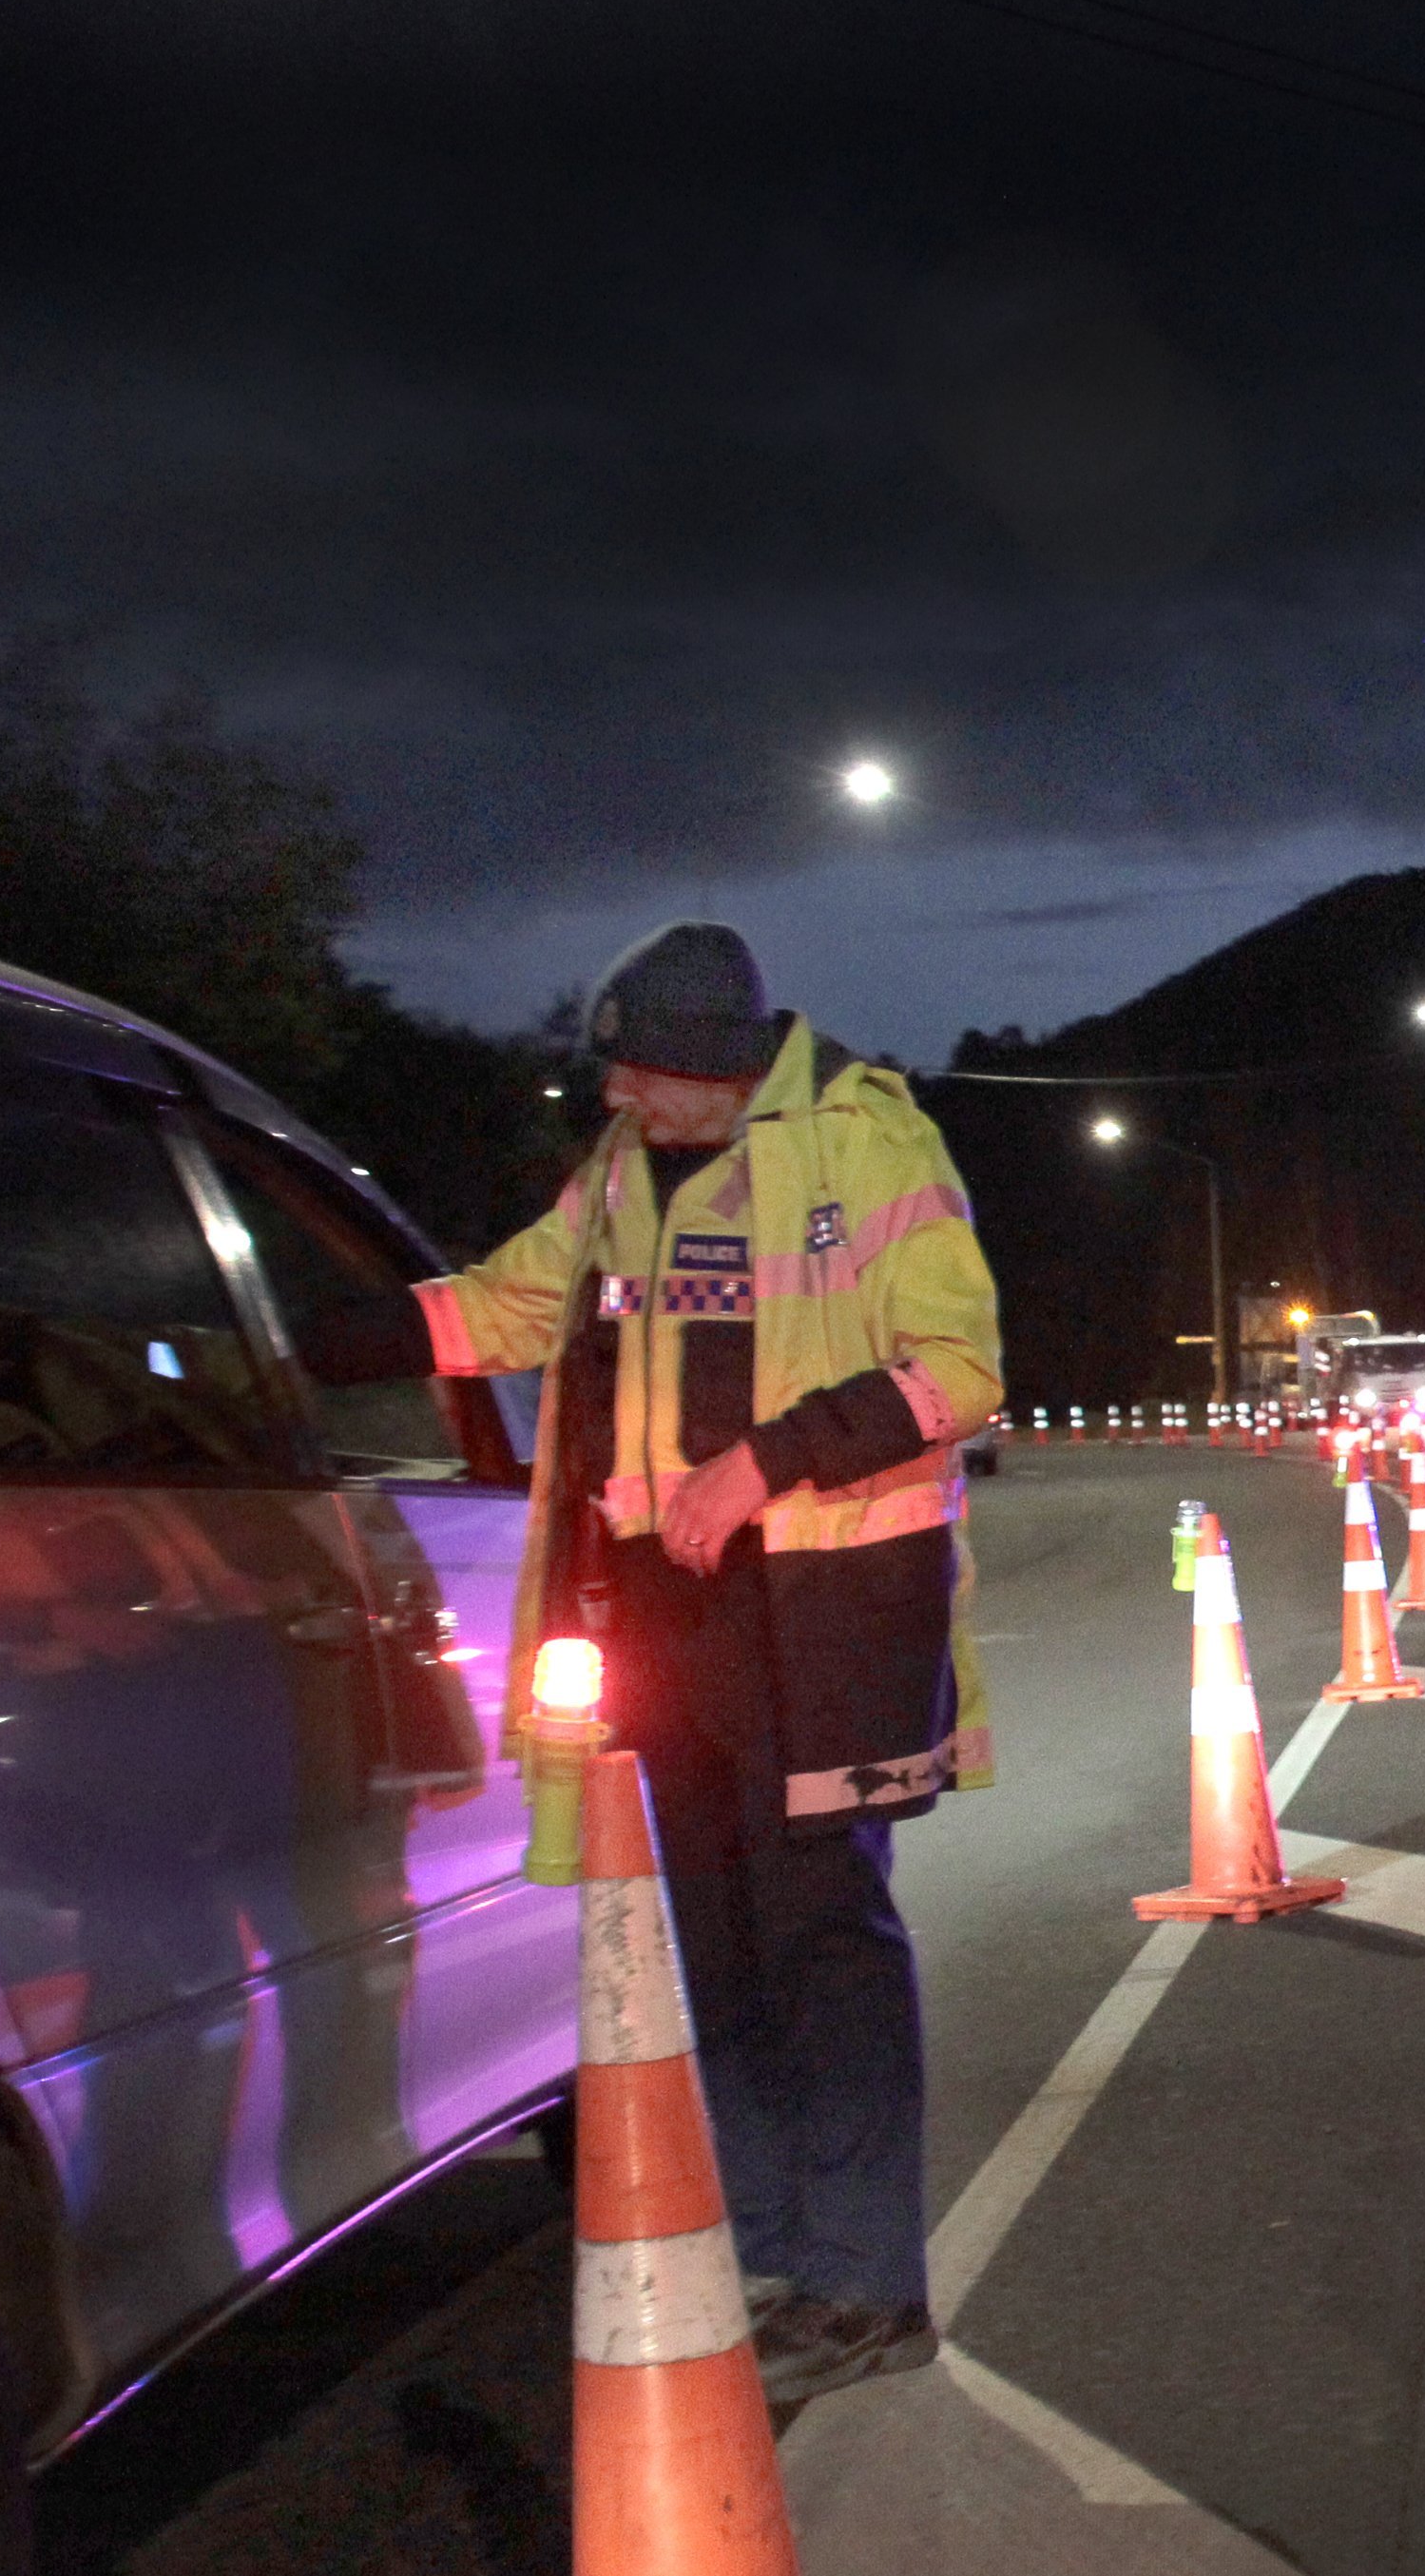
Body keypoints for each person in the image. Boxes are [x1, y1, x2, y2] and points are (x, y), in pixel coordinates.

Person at [307, 920, 1001, 2401]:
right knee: (711, 1948)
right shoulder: (622, 1178)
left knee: (823, 1939)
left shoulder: (867, 1148)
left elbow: (961, 1368)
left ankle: (865, 2283)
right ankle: (757, 2256)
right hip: (661, 1627)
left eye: (634, 1069)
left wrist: (760, 1463)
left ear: (712, 1066)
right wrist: (285, 1345)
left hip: (820, 1624)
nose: (612, 1094)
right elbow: (500, 1304)